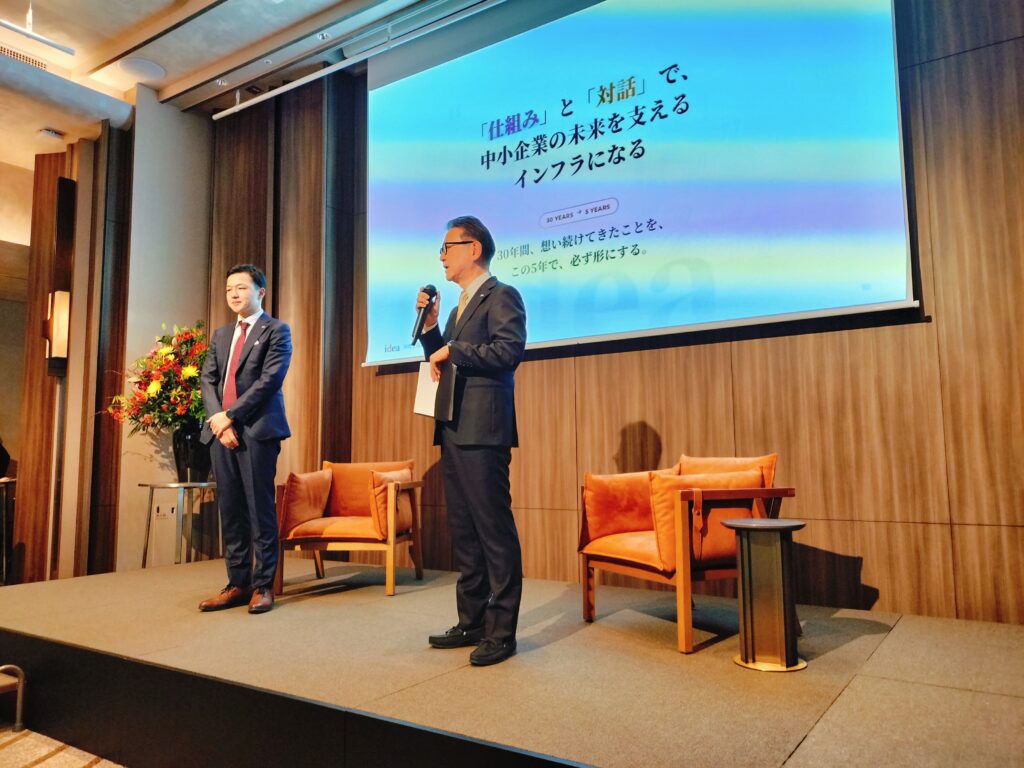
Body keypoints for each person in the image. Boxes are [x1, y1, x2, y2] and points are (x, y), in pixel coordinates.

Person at [415, 215, 527, 666]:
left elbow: (508, 351)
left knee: (493, 530)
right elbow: (441, 363)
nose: (441, 256)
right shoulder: (459, 307)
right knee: (464, 531)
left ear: (474, 249)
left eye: (447, 247)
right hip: (454, 427)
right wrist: (432, 329)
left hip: (484, 429)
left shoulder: (502, 295)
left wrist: (454, 349)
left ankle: (502, 632)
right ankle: (473, 620)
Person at [199, 264, 292, 614]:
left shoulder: (277, 330)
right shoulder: (221, 335)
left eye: (241, 287)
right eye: (229, 289)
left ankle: (263, 585)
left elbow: (269, 381)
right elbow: (208, 380)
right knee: (231, 510)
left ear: (260, 292)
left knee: (259, 509)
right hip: (220, 433)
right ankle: (237, 583)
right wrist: (219, 422)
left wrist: (232, 416)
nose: (233, 294)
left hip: (257, 431)